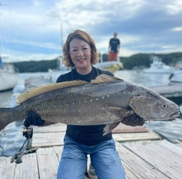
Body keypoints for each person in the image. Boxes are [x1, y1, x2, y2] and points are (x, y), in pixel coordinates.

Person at [23, 30, 144, 179]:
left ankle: (96, 162)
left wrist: (131, 118)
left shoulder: (108, 79)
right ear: (69, 54)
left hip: (103, 143)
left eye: (84, 48)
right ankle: (94, 163)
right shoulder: (64, 81)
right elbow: (57, 116)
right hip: (74, 143)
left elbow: (120, 115)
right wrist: (39, 121)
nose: (80, 54)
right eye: (74, 50)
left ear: (92, 50)